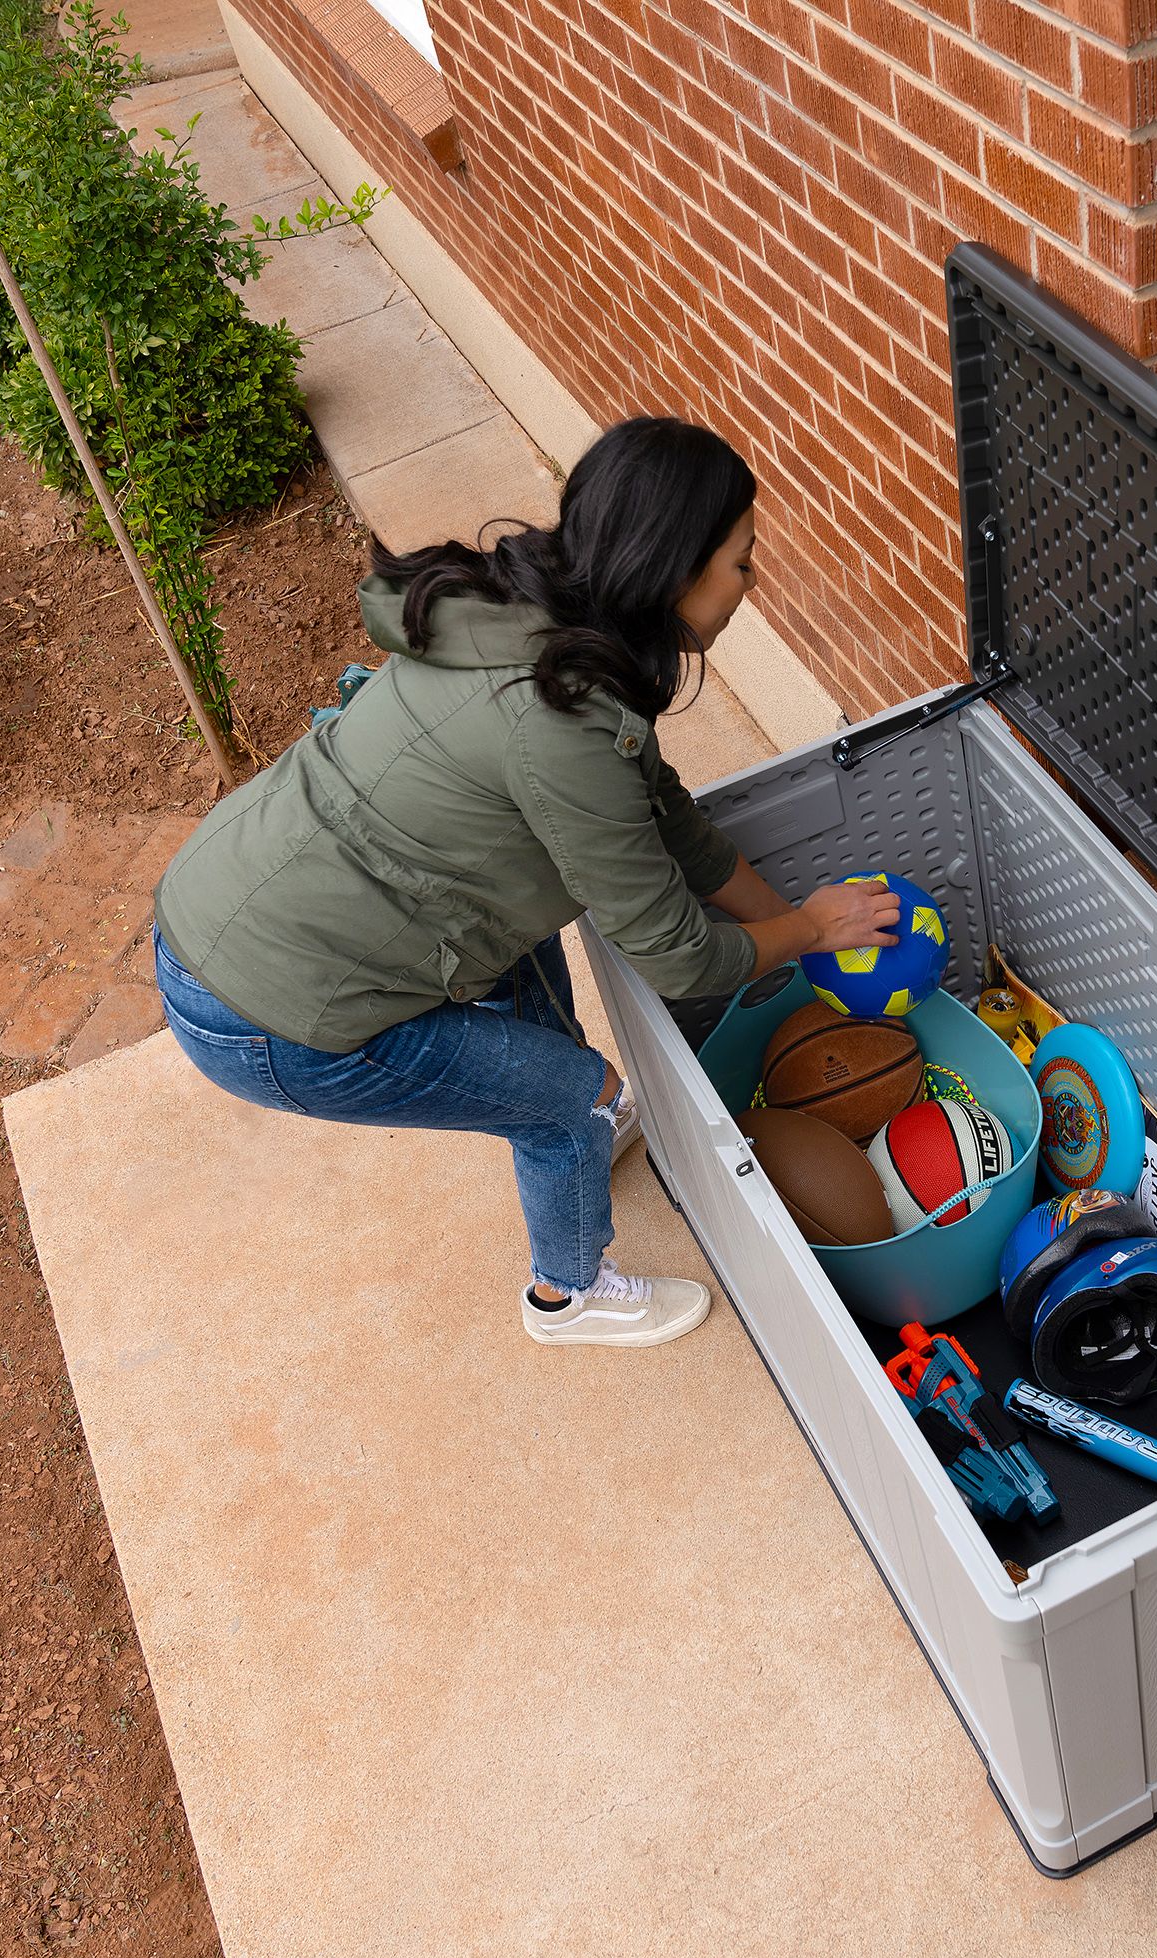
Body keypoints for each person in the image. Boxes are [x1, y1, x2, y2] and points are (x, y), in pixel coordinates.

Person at [151, 416, 898, 1347]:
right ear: (675, 571)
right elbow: (678, 957)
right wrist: (813, 933)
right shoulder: (564, 723)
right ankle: (567, 1294)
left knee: (538, 927)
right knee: (569, 1097)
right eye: (742, 561)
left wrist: (789, 919)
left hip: (239, 901)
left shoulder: (542, 627)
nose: (752, 581)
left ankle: (567, 1119)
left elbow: (664, 815)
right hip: (270, 1018)